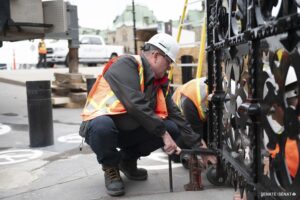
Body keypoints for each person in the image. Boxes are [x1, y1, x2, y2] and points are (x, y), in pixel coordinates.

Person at [80, 33, 202, 196]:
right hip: (98, 128)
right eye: (169, 63)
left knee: (172, 128)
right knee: (102, 127)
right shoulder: (126, 64)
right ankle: (111, 168)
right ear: (156, 56)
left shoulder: (158, 81)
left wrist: (199, 146)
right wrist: (163, 134)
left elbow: (175, 114)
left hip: (127, 129)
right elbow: (135, 104)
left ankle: (126, 160)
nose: (169, 68)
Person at [172, 77, 217, 165]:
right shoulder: (191, 100)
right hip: (180, 123)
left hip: (200, 116)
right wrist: (207, 156)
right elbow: (195, 135)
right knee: (177, 155)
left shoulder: (225, 88)